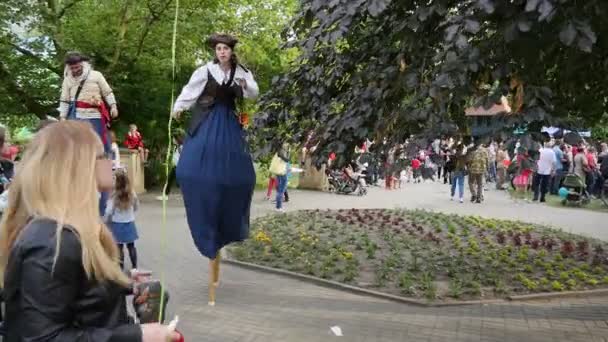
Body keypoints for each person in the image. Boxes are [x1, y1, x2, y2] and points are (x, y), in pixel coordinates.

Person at [0, 121, 178, 341]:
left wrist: (119, 281)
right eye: (103, 156)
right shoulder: (51, 242)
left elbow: (74, 292)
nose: (112, 163)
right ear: (76, 167)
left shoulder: (66, 232)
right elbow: (42, 338)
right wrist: (137, 335)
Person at [172, 33, 258, 304]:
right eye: (219, 49)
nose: (222, 52)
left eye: (225, 49)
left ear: (231, 51)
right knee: (192, 170)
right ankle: (205, 223)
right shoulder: (204, 71)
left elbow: (253, 94)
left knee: (242, 176)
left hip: (229, 126)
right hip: (207, 123)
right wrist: (178, 107)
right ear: (216, 51)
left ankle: (228, 222)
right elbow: (190, 92)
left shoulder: (241, 72)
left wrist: (245, 83)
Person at [59, 51, 118, 216]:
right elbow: (64, 100)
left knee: (102, 155)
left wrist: (113, 106)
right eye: (72, 68)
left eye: (77, 67)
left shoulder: (96, 75)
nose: (75, 70)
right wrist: (62, 118)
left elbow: (107, 92)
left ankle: (102, 201)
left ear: (82, 64)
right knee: (75, 153)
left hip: (95, 118)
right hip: (75, 117)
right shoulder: (67, 79)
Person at [104, 170, 140, 270]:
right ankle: (134, 267)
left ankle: (120, 268)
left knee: (119, 248)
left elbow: (109, 211)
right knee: (131, 246)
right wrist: (132, 213)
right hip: (130, 223)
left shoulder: (114, 196)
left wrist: (104, 221)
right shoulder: (131, 193)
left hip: (117, 224)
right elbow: (136, 205)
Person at [157, 134, 184, 201]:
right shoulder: (176, 147)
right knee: (170, 180)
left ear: (176, 139)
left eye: (173, 139)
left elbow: (183, 156)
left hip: (179, 167)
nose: (172, 140)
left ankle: (166, 195)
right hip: (176, 167)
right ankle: (166, 195)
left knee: (179, 182)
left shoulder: (180, 147)